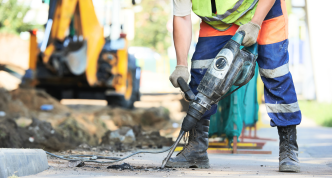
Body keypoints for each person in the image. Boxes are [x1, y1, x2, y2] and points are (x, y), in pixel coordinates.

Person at [168, 0, 301, 172]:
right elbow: (182, 17)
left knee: (275, 73)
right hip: (218, 22)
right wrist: (181, 65)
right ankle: (196, 149)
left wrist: (256, 22)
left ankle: (288, 149)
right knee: (201, 74)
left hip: (263, 12)